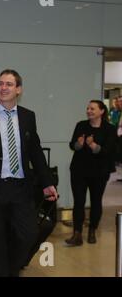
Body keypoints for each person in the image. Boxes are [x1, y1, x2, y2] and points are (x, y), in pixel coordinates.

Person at [0, 69, 58, 277]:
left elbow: (35, 152)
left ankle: (10, 267)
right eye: (0, 83)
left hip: (20, 188)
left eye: (8, 84)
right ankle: (2, 272)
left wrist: (47, 182)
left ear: (18, 89)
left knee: (29, 233)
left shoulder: (28, 116)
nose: (3, 88)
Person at [65, 100, 116, 246]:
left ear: (101, 111)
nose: (89, 111)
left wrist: (93, 145)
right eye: (87, 108)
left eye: (92, 109)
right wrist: (79, 144)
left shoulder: (109, 129)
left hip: (100, 172)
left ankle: (92, 230)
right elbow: (72, 145)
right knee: (79, 202)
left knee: (95, 202)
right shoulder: (81, 125)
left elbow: (108, 151)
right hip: (79, 170)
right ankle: (77, 234)